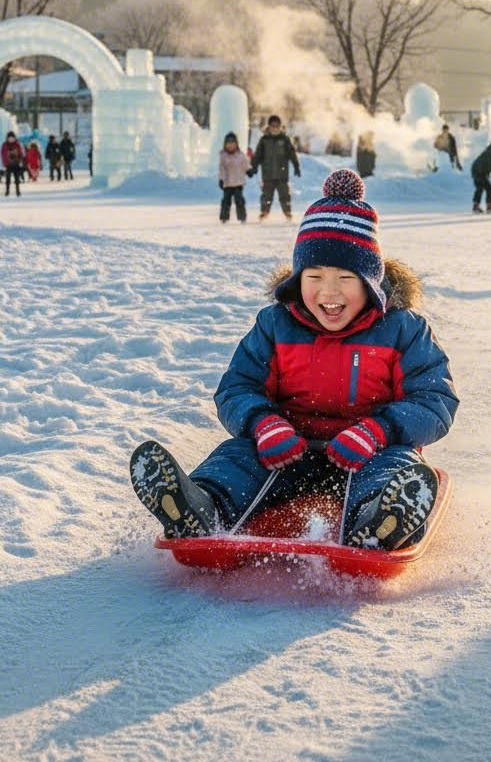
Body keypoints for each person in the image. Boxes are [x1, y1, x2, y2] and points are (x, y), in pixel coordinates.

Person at [129, 169, 458, 550]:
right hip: (285, 451)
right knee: (236, 458)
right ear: (297, 279)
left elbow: (434, 400)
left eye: (346, 278)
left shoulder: (403, 330)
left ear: (371, 283)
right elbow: (238, 387)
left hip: (370, 454)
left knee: (395, 467)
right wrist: (263, 423)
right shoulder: (275, 325)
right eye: (314, 276)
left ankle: (381, 522)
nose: (328, 291)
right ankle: (200, 510)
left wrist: (377, 431)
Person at [249, 114, 301, 220]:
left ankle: (287, 212)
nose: (275, 128)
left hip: (282, 174)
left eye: (277, 126)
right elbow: (258, 155)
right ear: (269, 126)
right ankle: (264, 211)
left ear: (280, 127)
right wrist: (254, 166)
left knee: (284, 195)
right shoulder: (264, 140)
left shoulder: (285, 139)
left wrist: (296, 166)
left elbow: (292, 153)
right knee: (266, 195)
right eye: (273, 126)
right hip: (268, 174)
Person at [218, 131, 250, 224]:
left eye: (233, 143)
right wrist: (221, 179)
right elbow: (222, 169)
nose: (231, 145)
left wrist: (249, 171)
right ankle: (224, 217)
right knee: (226, 201)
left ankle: (242, 217)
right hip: (227, 183)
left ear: (236, 144)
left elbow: (245, 164)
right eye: (228, 143)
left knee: (239, 200)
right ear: (225, 145)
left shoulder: (240, 155)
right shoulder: (223, 156)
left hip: (238, 183)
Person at [0, 132, 26, 197]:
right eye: (10, 138)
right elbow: (3, 154)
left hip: (16, 164)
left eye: (12, 138)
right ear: (7, 138)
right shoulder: (5, 145)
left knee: (17, 178)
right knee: (8, 178)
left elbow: (21, 153)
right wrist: (5, 163)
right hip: (8, 164)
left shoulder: (17, 144)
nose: (11, 139)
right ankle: (7, 191)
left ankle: (18, 191)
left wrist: (22, 161)